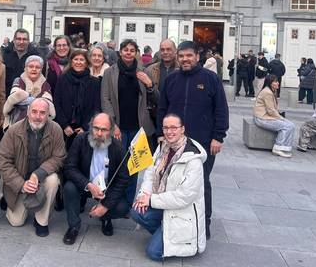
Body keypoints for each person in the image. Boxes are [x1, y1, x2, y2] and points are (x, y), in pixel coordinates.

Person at [156, 40, 229, 239]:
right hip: (174, 141)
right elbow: (163, 108)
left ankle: (203, 223)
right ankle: (172, 221)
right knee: (172, 181)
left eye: (189, 55)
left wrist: (218, 137)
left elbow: (221, 109)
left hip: (203, 143)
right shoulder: (171, 79)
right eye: (181, 56)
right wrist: (161, 134)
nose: (185, 59)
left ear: (197, 57)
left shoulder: (211, 78)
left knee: (201, 183)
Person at [131, 113, 207, 262]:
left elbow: (183, 197)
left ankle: (169, 236)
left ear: (182, 129)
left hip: (182, 214)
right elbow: (150, 173)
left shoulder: (193, 159)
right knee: (136, 211)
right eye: (165, 128)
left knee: (153, 253)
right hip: (164, 205)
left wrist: (151, 199)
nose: (169, 132)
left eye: (174, 127)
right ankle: (164, 231)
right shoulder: (163, 147)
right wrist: (144, 194)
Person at [0, 98, 67, 237]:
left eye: (42, 113)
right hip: (20, 180)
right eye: (34, 112)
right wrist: (21, 184)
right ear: (28, 112)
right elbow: (3, 161)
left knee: (53, 180)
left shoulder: (56, 130)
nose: (37, 116)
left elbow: (59, 157)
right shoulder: (13, 131)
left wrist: (38, 174)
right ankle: (19, 201)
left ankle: (41, 221)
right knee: (16, 221)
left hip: (42, 178)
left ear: (48, 115)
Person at [101, 39, 156, 203]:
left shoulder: (143, 71)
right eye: (125, 50)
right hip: (118, 126)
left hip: (138, 127)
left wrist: (149, 84)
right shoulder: (110, 72)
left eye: (132, 50)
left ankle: (128, 201)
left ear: (136, 53)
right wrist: (113, 124)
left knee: (134, 166)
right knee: (116, 164)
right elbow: (105, 99)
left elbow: (154, 96)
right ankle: (113, 198)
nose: (128, 53)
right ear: (120, 52)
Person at [62, 113, 130, 245]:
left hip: (106, 188)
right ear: (91, 127)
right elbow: (70, 168)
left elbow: (123, 179)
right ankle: (74, 226)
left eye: (103, 130)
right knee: (69, 188)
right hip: (84, 183)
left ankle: (105, 217)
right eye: (95, 128)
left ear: (110, 131)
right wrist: (88, 185)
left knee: (123, 207)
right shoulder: (80, 140)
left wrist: (105, 206)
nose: (99, 133)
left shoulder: (118, 147)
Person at [54, 49, 101, 151]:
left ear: (87, 63)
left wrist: (85, 127)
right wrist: (64, 125)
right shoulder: (62, 79)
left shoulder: (95, 82)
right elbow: (57, 103)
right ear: (71, 62)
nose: (78, 62)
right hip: (65, 128)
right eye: (76, 59)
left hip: (85, 129)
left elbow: (96, 107)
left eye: (81, 60)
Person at [3, 55, 54, 130]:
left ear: (41, 69)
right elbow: (14, 99)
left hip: (39, 123)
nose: (34, 69)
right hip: (17, 121)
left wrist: (27, 99)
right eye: (31, 66)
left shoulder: (46, 85)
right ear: (25, 68)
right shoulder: (18, 81)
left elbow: (47, 104)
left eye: (37, 67)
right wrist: (37, 100)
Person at [253, 75, 295, 158]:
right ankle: (278, 147)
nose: (278, 83)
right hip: (262, 118)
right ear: (270, 83)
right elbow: (271, 110)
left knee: (291, 125)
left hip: (265, 117)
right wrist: (281, 118)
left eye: (277, 81)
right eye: (275, 82)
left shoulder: (271, 91)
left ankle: (283, 147)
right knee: (287, 126)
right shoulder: (267, 92)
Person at [2, 28, 40, 97]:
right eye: (18, 39)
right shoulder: (4, 55)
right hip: (8, 96)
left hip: (28, 97)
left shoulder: (35, 56)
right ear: (14, 40)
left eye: (24, 39)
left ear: (28, 41)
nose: (21, 42)